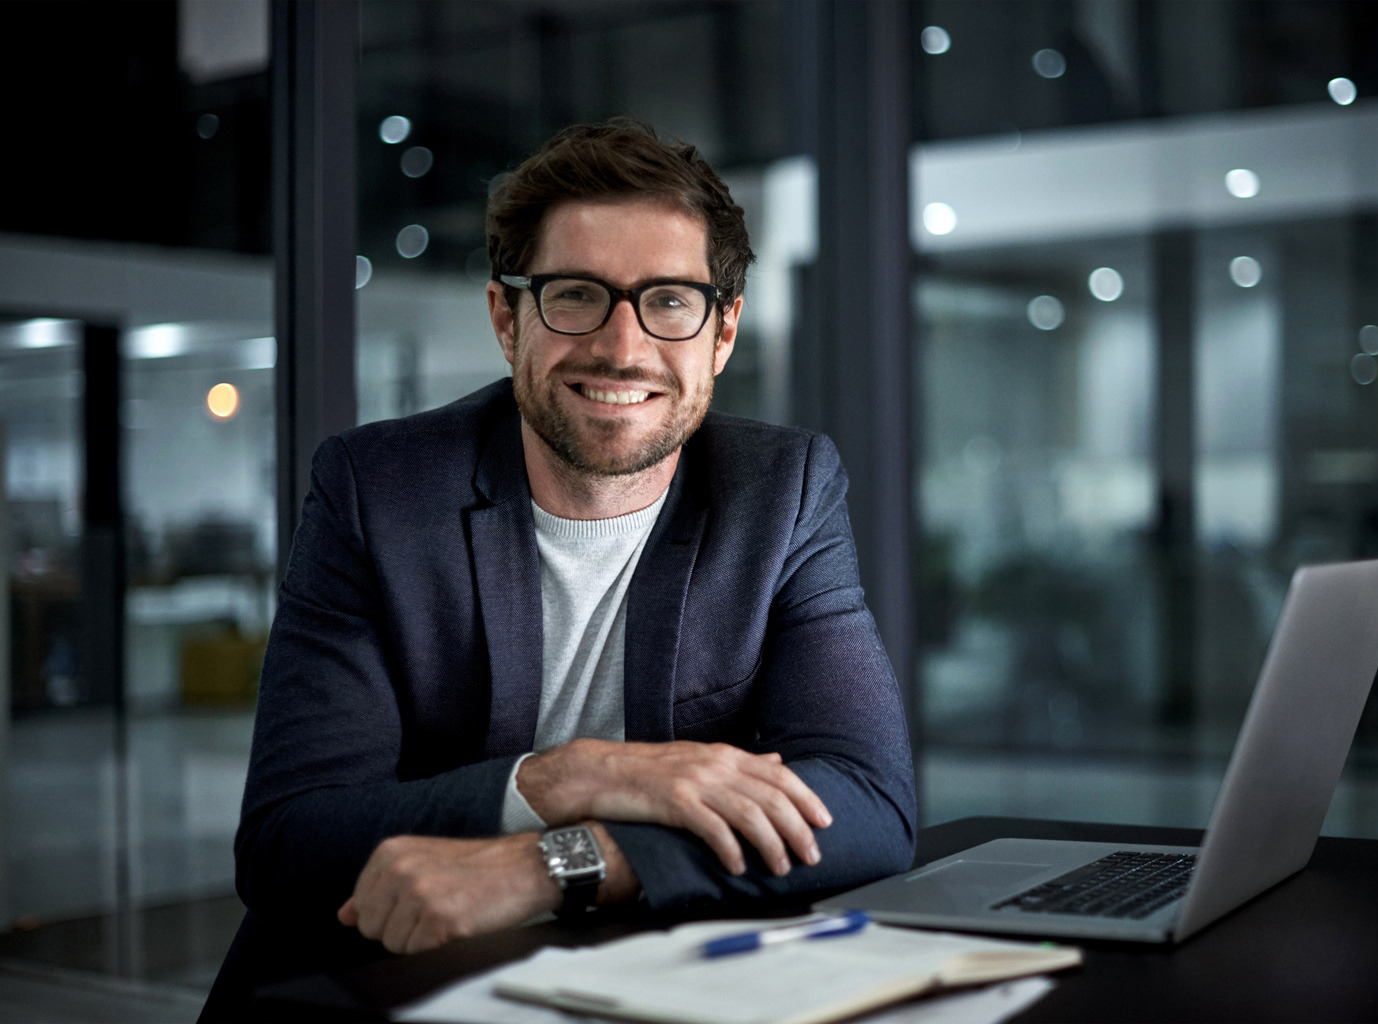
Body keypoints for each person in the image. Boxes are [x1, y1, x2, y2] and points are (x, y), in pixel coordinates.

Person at [202, 120, 915, 1018]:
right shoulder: (375, 492)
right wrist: (568, 779)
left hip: (626, 986)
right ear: (508, 318)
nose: (623, 348)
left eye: (669, 301)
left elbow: (866, 804)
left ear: (723, 332)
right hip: (375, 986)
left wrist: (558, 865)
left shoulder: (782, 493)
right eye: (577, 295)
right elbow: (288, 842)